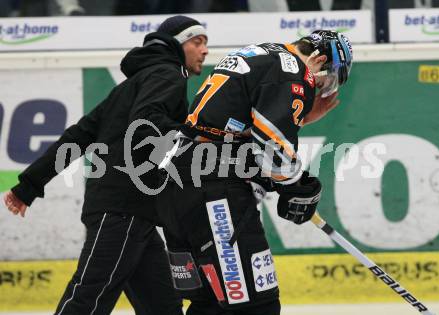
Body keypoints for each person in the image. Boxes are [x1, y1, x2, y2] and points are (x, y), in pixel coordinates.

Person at [3, 15, 208, 315]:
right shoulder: (168, 75)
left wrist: (29, 185)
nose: (204, 50)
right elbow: (146, 125)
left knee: (163, 307)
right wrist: (193, 135)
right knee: (89, 298)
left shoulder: (133, 84)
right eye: (197, 42)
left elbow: (79, 136)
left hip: (135, 214)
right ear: (178, 45)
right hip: (123, 210)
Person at [157, 30, 353, 315]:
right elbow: (272, 147)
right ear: (319, 59)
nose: (321, 89)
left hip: (182, 183)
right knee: (255, 305)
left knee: (212, 303)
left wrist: (297, 121)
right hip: (213, 193)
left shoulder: (264, 54)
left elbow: (236, 132)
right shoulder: (292, 71)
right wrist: (298, 186)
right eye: (327, 79)